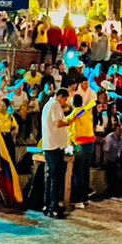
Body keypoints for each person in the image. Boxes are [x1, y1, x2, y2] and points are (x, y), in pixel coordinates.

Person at [39, 86, 71, 219]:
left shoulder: (50, 105)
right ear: (61, 97)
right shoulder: (54, 105)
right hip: (54, 147)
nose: (65, 103)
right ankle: (53, 206)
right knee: (55, 178)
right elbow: (58, 123)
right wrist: (70, 120)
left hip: (52, 146)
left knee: (50, 177)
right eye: (65, 100)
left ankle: (47, 205)